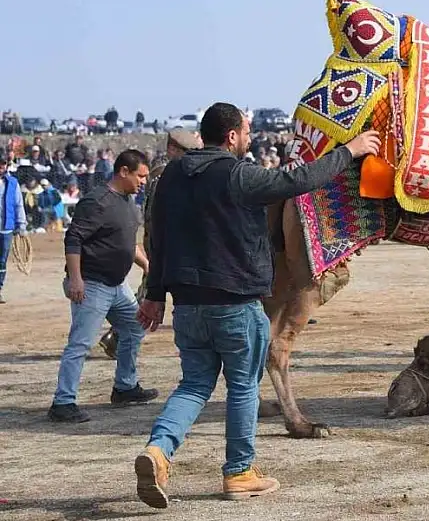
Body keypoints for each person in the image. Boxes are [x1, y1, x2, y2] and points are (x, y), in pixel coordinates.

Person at [133, 103, 382, 508]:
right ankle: (239, 472)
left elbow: (158, 238)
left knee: (194, 385)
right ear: (232, 136)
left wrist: (155, 295)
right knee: (243, 387)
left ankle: (159, 450)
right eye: (246, 132)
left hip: (188, 306)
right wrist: (349, 150)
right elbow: (298, 179)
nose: (249, 138)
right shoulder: (238, 175)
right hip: (235, 302)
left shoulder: (172, 177)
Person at [47, 150, 154, 423]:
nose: (144, 181)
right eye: (141, 175)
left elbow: (128, 243)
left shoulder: (129, 203)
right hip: (92, 284)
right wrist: (76, 278)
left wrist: (145, 264)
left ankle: (125, 387)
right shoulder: (96, 202)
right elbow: (73, 240)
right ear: (124, 172)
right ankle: (63, 402)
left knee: (134, 327)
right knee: (80, 343)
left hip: (117, 286)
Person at [98, 129, 203, 359]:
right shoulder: (164, 175)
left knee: (147, 293)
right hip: (162, 245)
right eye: (186, 151)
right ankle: (119, 335)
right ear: (173, 149)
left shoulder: (160, 173)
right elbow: (158, 216)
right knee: (149, 297)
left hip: (159, 244)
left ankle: (118, 336)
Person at [0, 168, 27, 304]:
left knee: (2, 261)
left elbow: (18, 204)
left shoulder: (12, 183)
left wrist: (21, 224)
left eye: (3, 164)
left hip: (6, 228)